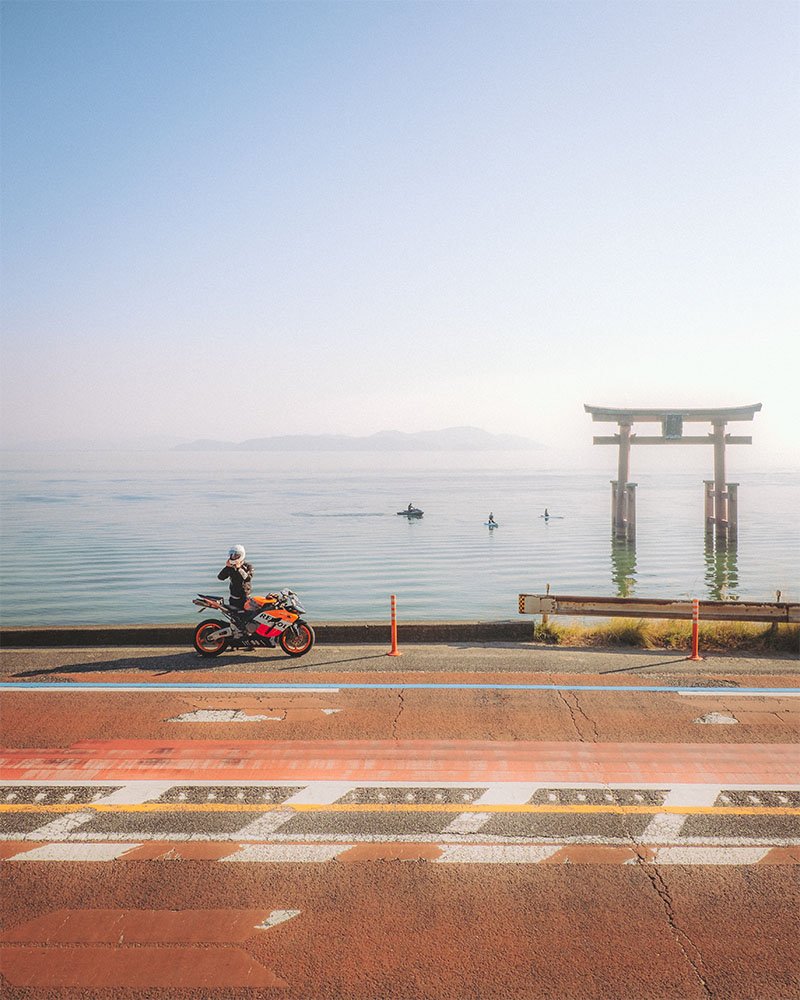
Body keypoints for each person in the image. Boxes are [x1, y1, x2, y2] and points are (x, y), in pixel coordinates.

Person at [218, 544, 253, 612]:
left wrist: (239, 568)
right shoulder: (230, 567)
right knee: (234, 617)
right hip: (234, 597)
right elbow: (221, 577)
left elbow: (247, 578)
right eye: (231, 555)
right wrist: (227, 567)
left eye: (235, 555)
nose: (233, 557)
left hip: (245, 597)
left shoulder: (248, 566)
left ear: (241, 555)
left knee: (246, 617)